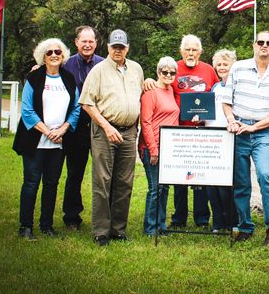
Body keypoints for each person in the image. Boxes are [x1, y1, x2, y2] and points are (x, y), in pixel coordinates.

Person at [145, 34, 219, 229]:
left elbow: (219, 93)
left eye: (195, 49)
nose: (191, 53)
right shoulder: (174, 69)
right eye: (187, 49)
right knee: (179, 177)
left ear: (200, 52)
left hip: (203, 133)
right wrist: (148, 80)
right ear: (181, 51)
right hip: (178, 132)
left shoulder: (209, 71)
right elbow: (161, 85)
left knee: (201, 176)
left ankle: (202, 217)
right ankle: (179, 217)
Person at [222, 31, 269, 246]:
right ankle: (245, 227)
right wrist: (231, 120)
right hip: (239, 130)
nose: (264, 46)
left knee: (265, 175)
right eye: (261, 42)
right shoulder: (238, 68)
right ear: (254, 45)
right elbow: (226, 100)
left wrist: (254, 127)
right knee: (241, 182)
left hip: (262, 132)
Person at [79, 29, 144, 246]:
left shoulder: (136, 69)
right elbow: (87, 103)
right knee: (103, 180)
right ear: (107, 47)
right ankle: (100, 231)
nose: (118, 50)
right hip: (105, 130)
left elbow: (140, 98)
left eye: (122, 47)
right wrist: (107, 127)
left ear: (127, 48)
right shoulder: (98, 71)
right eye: (114, 46)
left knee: (124, 182)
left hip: (128, 131)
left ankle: (118, 229)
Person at [13, 38, 80, 240]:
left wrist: (63, 130)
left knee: (52, 184)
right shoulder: (34, 78)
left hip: (58, 143)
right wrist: (47, 131)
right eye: (49, 52)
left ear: (63, 56)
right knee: (31, 183)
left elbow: (76, 108)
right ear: (43, 56)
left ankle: (47, 225)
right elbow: (27, 110)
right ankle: (25, 227)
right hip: (36, 141)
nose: (53, 55)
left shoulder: (68, 79)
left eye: (57, 52)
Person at [62, 25, 104, 230]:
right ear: (76, 42)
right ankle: (72, 217)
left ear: (96, 43)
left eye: (91, 41)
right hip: (75, 128)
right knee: (75, 173)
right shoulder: (66, 65)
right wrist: (37, 68)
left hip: (100, 126)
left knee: (104, 175)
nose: (87, 45)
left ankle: (105, 217)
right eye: (83, 41)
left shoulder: (105, 65)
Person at [139, 57, 180, 237]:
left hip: (169, 146)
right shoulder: (150, 92)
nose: (169, 75)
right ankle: (150, 228)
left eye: (172, 72)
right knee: (155, 188)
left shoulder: (170, 90)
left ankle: (161, 225)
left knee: (165, 188)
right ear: (158, 72)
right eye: (165, 72)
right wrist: (153, 149)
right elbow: (145, 122)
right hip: (152, 147)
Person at [205, 49, 238, 232]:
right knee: (211, 183)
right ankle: (217, 221)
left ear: (232, 65)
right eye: (219, 65)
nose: (222, 67)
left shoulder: (238, 86)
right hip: (211, 138)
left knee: (227, 183)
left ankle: (231, 220)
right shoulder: (214, 88)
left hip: (229, 138)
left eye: (226, 64)